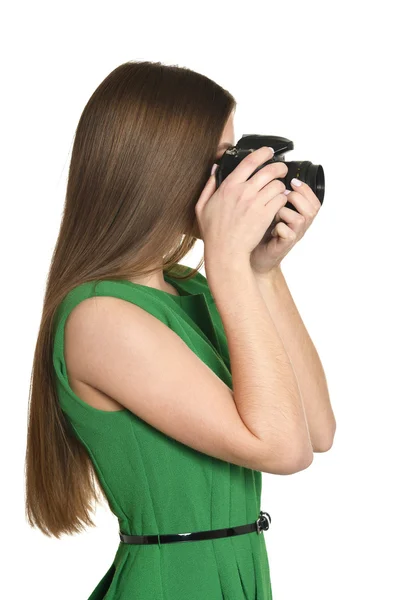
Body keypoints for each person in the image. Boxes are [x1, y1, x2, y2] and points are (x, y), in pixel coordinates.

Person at [25, 60, 336, 600]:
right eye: (223, 161)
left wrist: (262, 271)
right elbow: (285, 451)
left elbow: (316, 431)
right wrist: (229, 265)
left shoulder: (190, 291)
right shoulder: (100, 318)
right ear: (162, 171)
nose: (237, 180)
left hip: (237, 576)